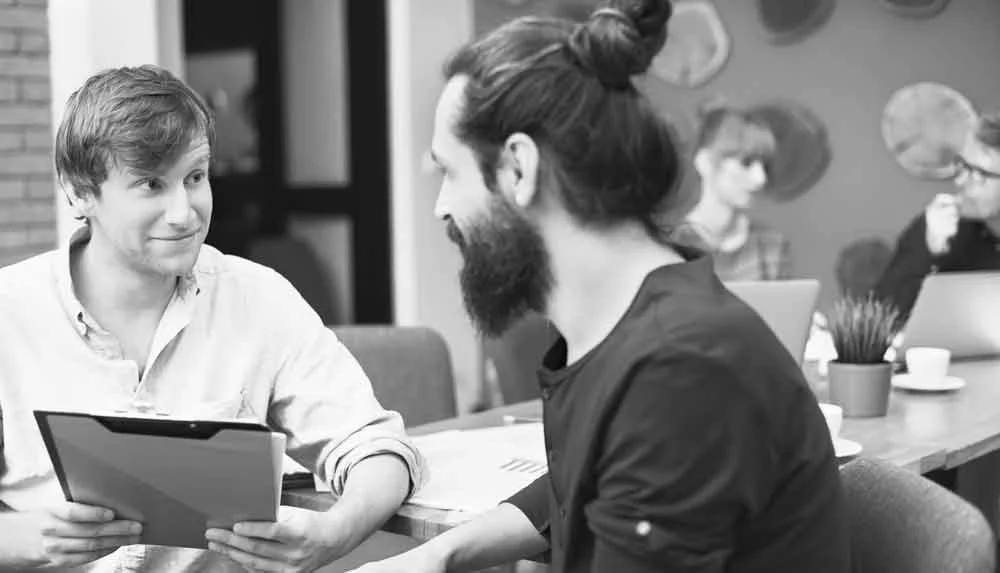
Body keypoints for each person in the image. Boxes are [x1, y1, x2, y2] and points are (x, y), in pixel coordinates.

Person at [351, 1, 849, 571]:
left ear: (518, 169)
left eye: (449, 172)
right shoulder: (623, 326)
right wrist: (439, 555)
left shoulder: (680, 370)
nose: (441, 207)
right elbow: (575, 487)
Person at [0, 65, 423, 572]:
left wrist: (336, 532)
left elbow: (376, 446)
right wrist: (20, 539)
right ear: (78, 191)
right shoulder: (9, 314)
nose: (184, 213)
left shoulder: (257, 298)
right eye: (151, 184)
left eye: (195, 177)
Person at [875, 110, 1000, 319]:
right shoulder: (938, 224)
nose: (960, 181)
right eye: (963, 165)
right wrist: (930, 252)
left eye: (980, 174)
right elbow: (878, 319)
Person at [674, 100, 791, 281]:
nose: (761, 178)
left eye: (765, 166)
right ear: (704, 160)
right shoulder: (668, 244)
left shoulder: (771, 243)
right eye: (746, 162)